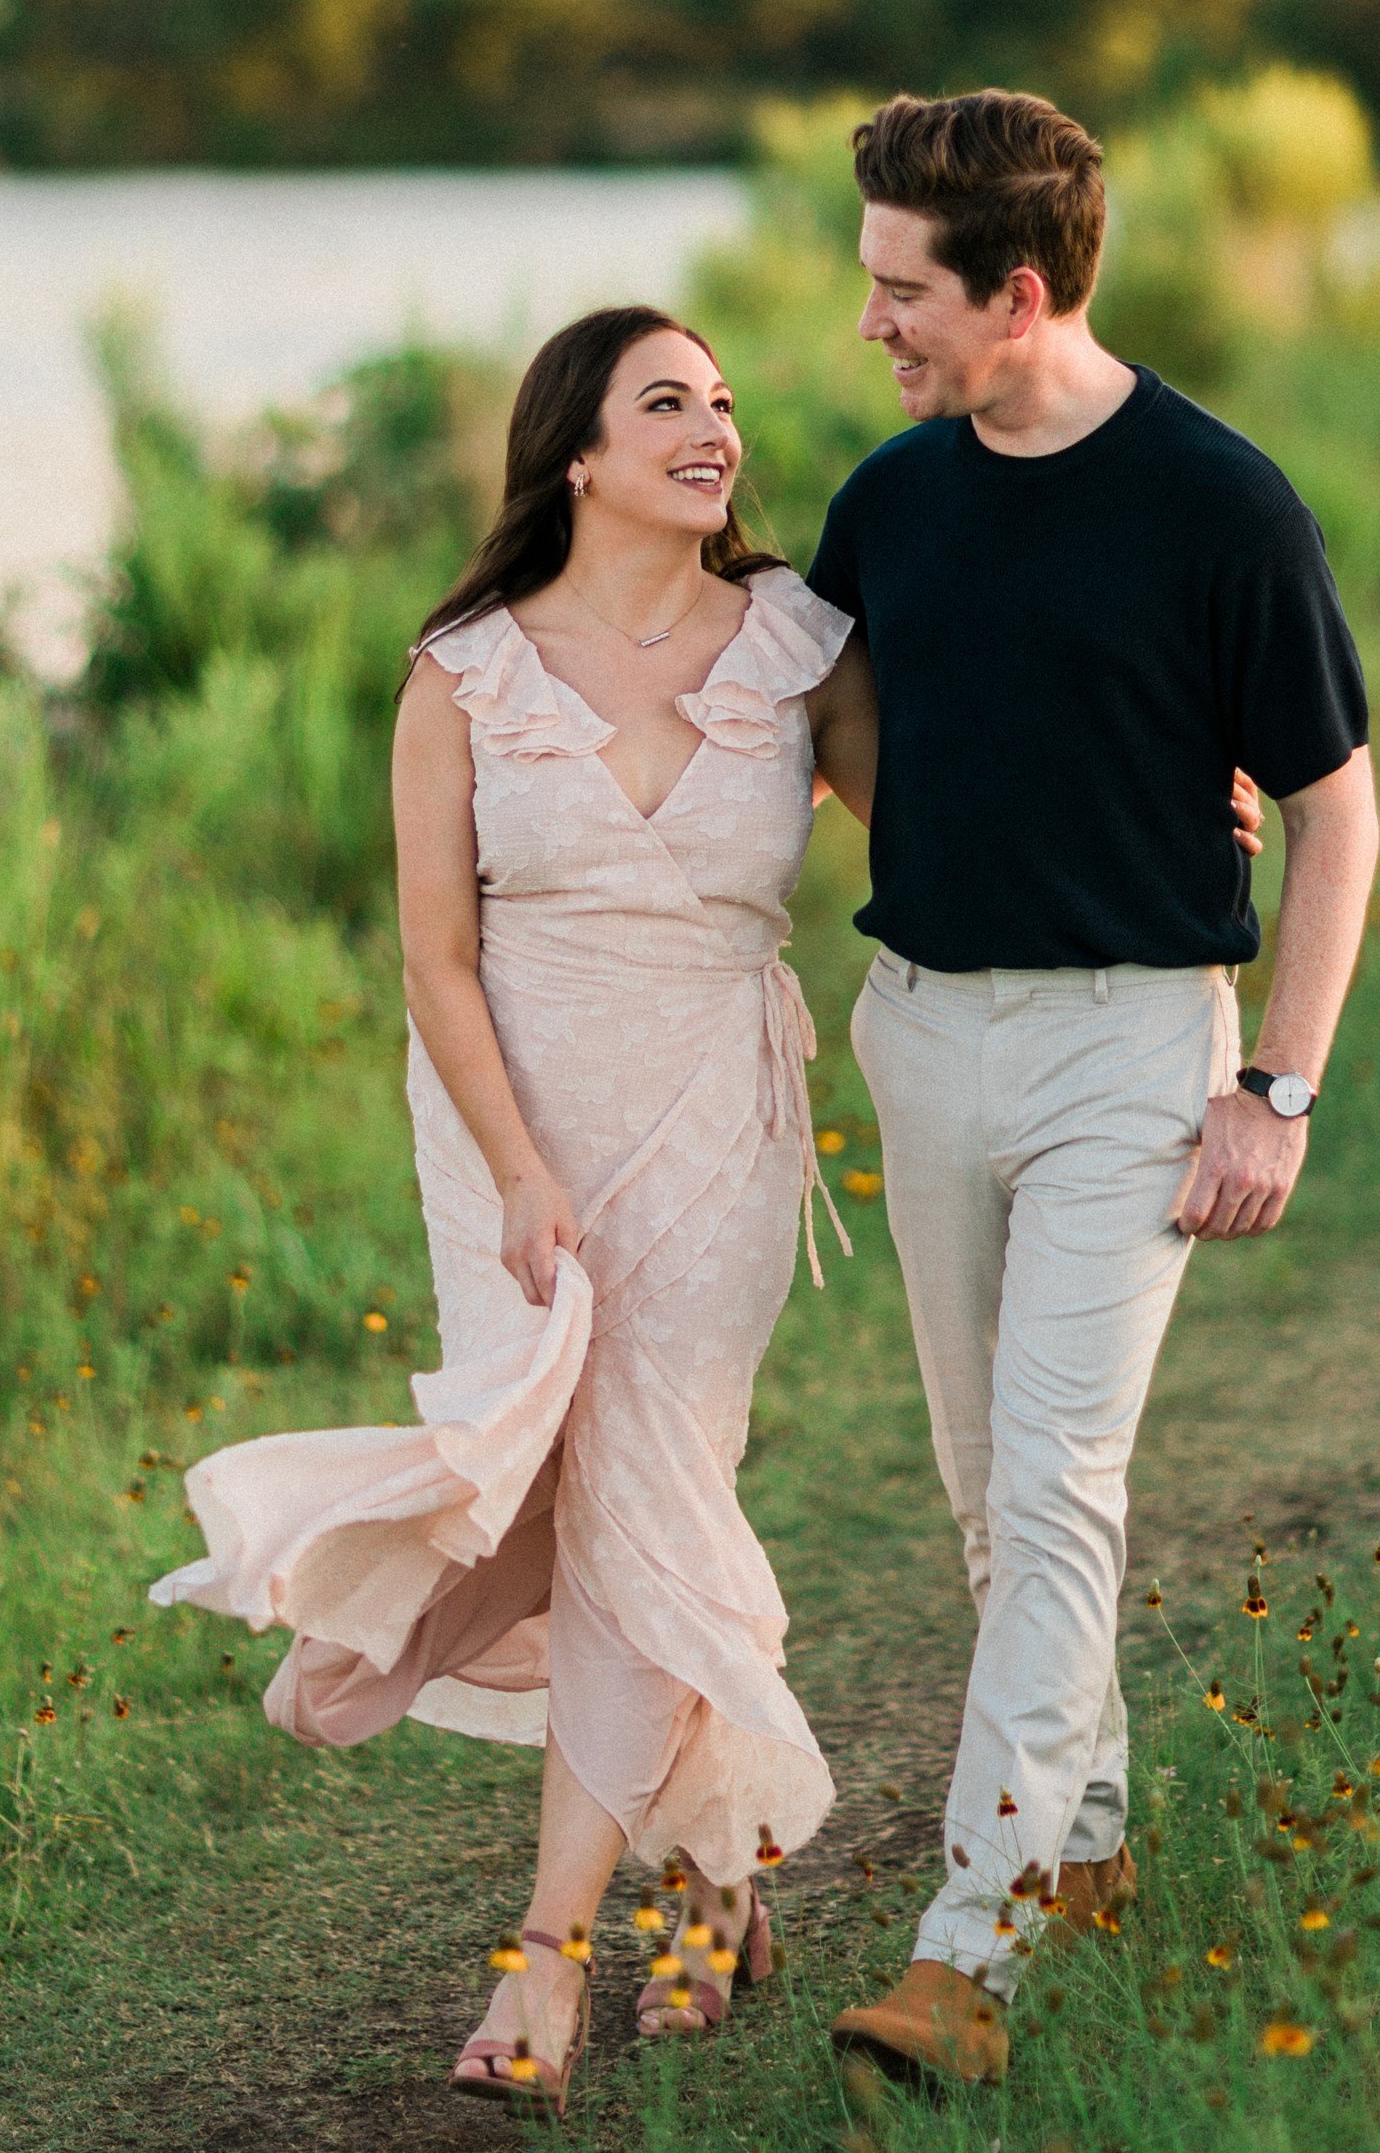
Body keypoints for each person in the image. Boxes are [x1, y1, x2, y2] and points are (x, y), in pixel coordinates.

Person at [149, 305, 878, 2114]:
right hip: (511, 1122)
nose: (714, 427)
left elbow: (947, 834)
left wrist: (1191, 816)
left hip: (718, 1111)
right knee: (567, 1476)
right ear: (577, 451)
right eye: (667, 404)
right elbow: (435, 955)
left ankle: (548, 1962)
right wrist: (523, 1171)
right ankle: (711, 1870)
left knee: (647, 1480)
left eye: (723, 402)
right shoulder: (465, 667)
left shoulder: (796, 641)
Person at [816, 91, 1380, 2091]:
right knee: (995, 1503)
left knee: (1055, 1487)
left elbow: (1331, 806)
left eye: (900, 288)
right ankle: (1096, 1842)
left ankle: (965, 1952)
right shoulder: (891, 496)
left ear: (1020, 291)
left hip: (1130, 1052)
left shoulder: (1219, 504)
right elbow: (845, 720)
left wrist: (1277, 1085)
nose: (868, 318)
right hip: (923, 1030)